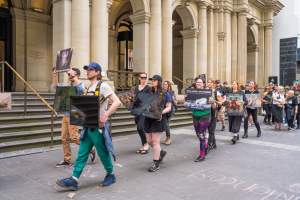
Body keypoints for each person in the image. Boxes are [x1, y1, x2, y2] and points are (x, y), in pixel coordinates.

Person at [56, 62, 121, 190]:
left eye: (91, 70)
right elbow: (82, 103)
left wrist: (106, 114)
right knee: (82, 153)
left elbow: (117, 102)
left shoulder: (103, 86)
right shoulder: (88, 87)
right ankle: (74, 179)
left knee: (103, 153)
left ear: (97, 72)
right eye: (87, 70)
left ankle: (110, 174)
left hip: (98, 127)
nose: (88, 71)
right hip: (88, 125)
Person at [54, 68, 95, 167]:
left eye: (71, 72)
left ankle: (90, 149)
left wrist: (72, 76)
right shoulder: (69, 85)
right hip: (66, 113)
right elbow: (56, 87)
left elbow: (81, 92)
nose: (68, 74)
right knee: (64, 138)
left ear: (76, 74)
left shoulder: (80, 84)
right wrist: (55, 75)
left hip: (75, 113)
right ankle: (67, 160)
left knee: (74, 137)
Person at [144, 75, 172, 172]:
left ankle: (156, 163)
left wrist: (160, 113)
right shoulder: (148, 91)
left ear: (159, 81)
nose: (153, 81)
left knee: (155, 142)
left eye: (155, 80)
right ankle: (161, 152)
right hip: (147, 118)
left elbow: (169, 107)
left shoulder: (165, 93)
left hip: (158, 119)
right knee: (149, 141)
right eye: (152, 80)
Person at [189, 78, 211, 162]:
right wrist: (187, 101)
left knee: (201, 134)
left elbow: (211, 103)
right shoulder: (192, 92)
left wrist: (212, 102)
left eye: (200, 82)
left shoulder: (207, 92)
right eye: (197, 82)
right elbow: (188, 103)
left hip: (205, 115)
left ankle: (202, 155)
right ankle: (206, 144)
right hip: (195, 115)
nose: (198, 83)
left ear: (203, 84)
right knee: (198, 134)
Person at [132, 72, 151, 154]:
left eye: (145, 77)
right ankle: (144, 144)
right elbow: (133, 98)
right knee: (139, 128)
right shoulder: (136, 88)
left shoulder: (148, 88)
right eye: (142, 77)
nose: (143, 79)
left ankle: (146, 144)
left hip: (144, 111)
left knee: (140, 127)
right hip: (136, 110)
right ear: (139, 78)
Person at [162, 80, 175, 145]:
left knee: (166, 124)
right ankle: (167, 138)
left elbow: (173, 102)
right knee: (165, 124)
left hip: (170, 110)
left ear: (168, 86)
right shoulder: (162, 92)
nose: (164, 85)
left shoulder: (170, 92)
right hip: (165, 109)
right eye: (163, 84)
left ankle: (168, 138)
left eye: (166, 84)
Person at [207, 79, 217, 150]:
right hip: (206, 112)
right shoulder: (205, 91)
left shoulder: (216, 92)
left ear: (213, 84)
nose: (209, 83)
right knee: (210, 129)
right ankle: (214, 143)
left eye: (211, 82)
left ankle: (209, 144)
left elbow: (220, 102)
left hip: (214, 112)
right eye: (208, 82)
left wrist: (215, 104)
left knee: (211, 129)